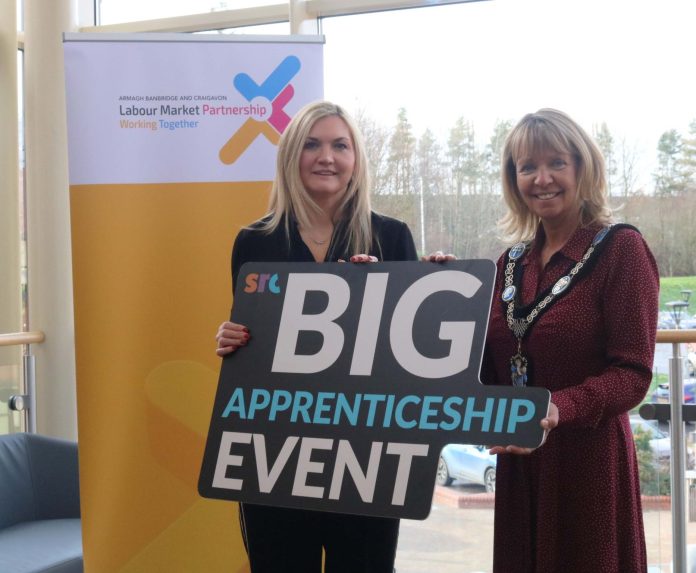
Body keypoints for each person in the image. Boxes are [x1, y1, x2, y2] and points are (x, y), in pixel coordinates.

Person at [215, 100, 418, 573]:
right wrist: (231, 340)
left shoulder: (391, 237)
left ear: (356, 159)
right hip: (276, 455)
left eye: (339, 145)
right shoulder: (254, 240)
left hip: (367, 456)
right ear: (291, 157)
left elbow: (411, 354)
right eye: (311, 144)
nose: (326, 156)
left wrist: (384, 300)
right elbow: (255, 345)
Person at [482, 108, 659, 572]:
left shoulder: (621, 249)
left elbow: (634, 373)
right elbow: (484, 368)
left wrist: (559, 407)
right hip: (521, 466)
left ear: (583, 167)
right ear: (513, 178)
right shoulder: (508, 264)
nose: (542, 179)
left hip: (589, 466)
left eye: (556, 163)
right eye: (527, 167)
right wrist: (438, 288)